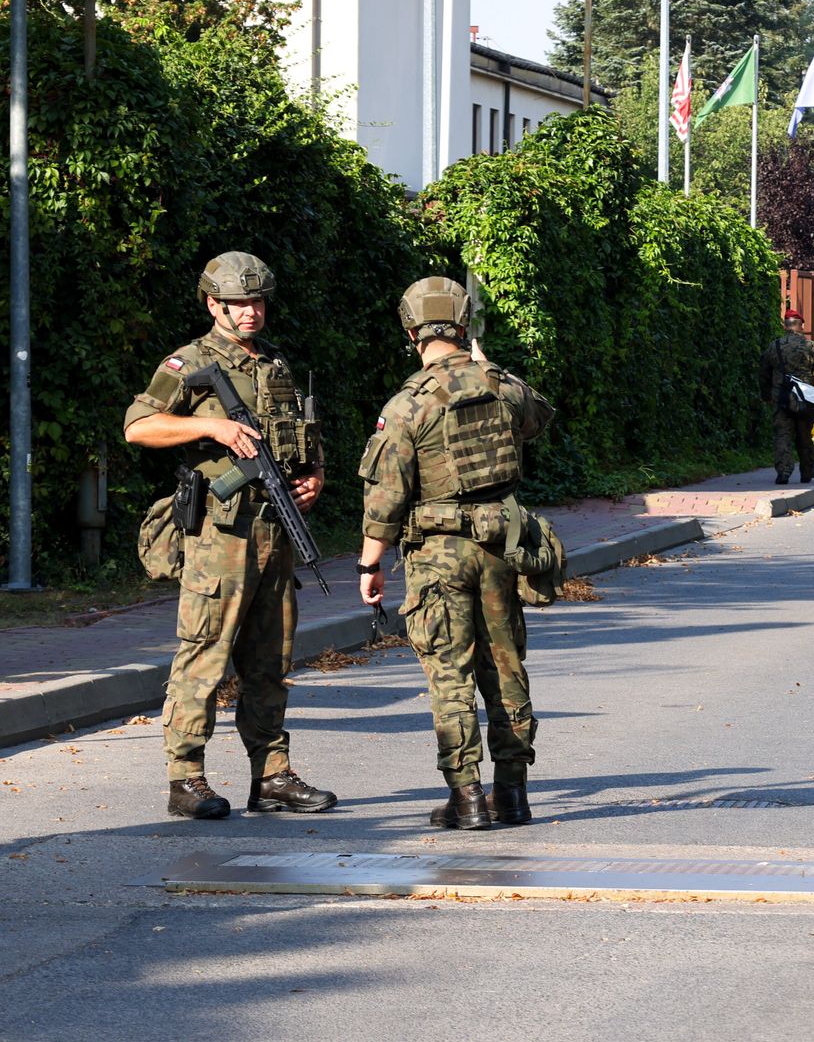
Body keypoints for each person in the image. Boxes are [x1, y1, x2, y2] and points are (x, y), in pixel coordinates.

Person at [124, 251, 337, 819]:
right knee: (206, 653)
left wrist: (314, 477)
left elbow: (303, 438)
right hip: (220, 533)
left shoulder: (275, 364)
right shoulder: (187, 362)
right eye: (240, 303)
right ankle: (185, 778)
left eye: (258, 301)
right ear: (214, 304)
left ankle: (271, 775)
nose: (251, 312)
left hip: (274, 527)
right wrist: (210, 425)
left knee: (271, 658)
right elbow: (139, 425)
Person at [356, 277, 553, 830]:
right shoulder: (503, 387)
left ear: (411, 329)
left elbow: (387, 495)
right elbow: (537, 419)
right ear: (464, 325)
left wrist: (370, 564)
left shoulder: (407, 405)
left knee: (450, 673)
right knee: (506, 667)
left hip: (439, 554)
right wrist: (493, 367)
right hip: (501, 546)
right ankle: (512, 794)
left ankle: (466, 798)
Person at [758, 308, 814, 485]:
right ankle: (807, 471)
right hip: (804, 400)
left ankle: (783, 472)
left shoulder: (774, 346)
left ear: (785, 326)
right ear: (802, 325)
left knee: (782, 434)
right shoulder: (810, 346)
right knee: (804, 434)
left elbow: (763, 373)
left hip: (781, 398)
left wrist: (766, 395)